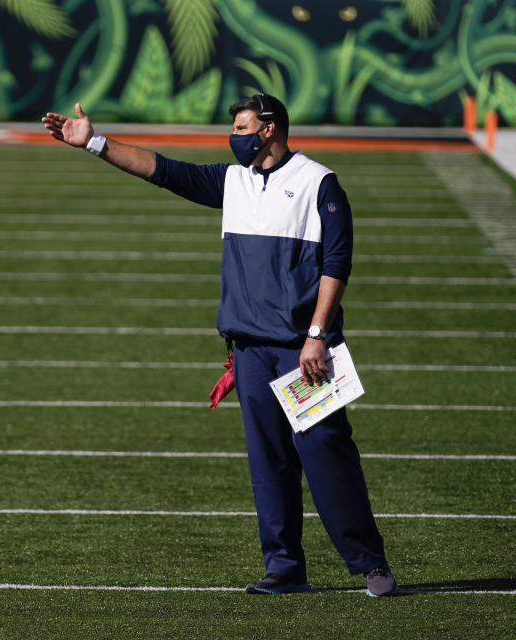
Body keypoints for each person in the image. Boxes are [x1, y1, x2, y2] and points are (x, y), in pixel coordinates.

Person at [41, 95, 398, 597]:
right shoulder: (234, 182)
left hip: (304, 354)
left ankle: (370, 564)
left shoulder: (320, 183)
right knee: (268, 465)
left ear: (269, 128)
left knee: (326, 456)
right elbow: (163, 170)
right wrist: (94, 143)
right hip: (250, 351)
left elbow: (337, 263)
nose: (235, 135)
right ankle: (285, 567)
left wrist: (316, 336)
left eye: (242, 126)